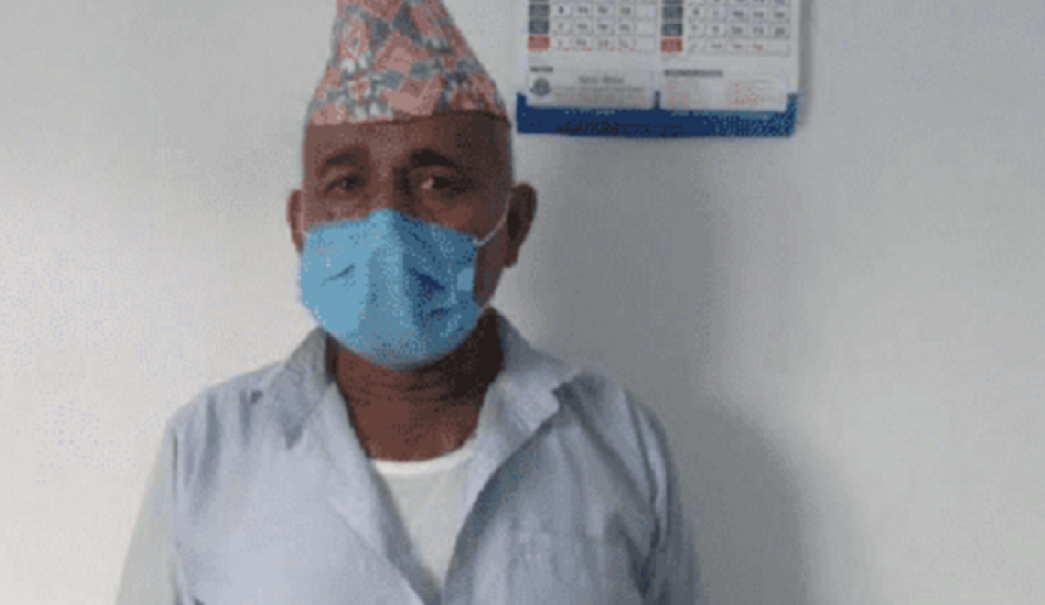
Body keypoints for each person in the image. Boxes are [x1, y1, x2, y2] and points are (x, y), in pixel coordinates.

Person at [115, 1, 700, 603]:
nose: (388, 225)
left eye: (437, 183)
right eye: (347, 184)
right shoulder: (207, 451)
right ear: (300, 226)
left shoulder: (616, 441)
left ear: (516, 223)